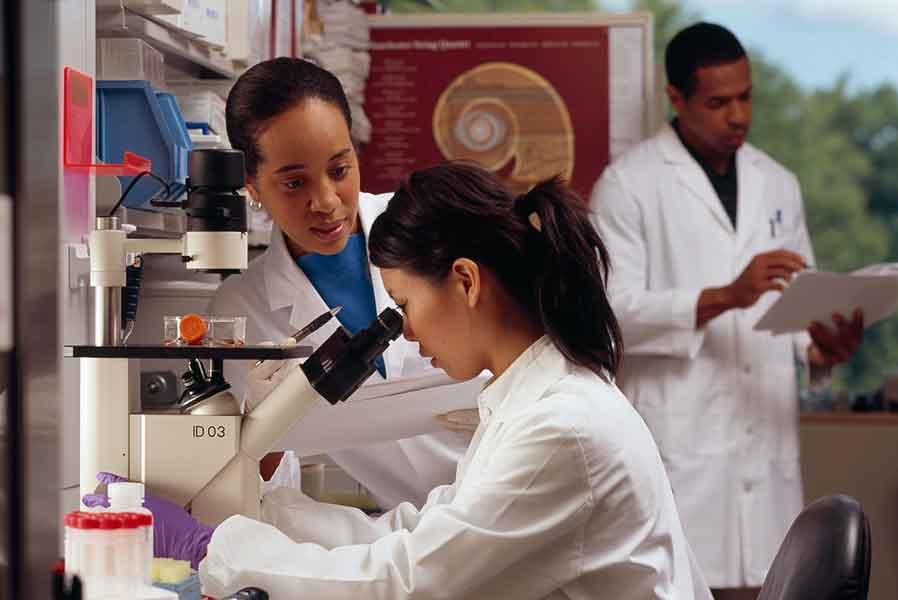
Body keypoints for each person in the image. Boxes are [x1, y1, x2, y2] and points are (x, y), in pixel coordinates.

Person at [88, 161, 713, 598]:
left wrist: (210, 548)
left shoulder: (561, 429)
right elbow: (414, 533)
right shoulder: (535, 399)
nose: (406, 332)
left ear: (466, 282)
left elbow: (409, 583)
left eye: (406, 305)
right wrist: (262, 514)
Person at [589, 23, 863, 600]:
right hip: (682, 454)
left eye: (746, 97)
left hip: (764, 458)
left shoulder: (779, 184)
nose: (738, 115)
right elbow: (609, 315)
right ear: (676, 98)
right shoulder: (629, 185)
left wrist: (822, 348)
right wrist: (724, 296)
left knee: (775, 585)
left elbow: (796, 316)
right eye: (718, 102)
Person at [208, 57, 476, 509]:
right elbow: (268, 487)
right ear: (252, 187)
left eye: (339, 170)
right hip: (419, 526)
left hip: (514, 476)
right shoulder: (242, 308)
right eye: (294, 183)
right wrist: (263, 426)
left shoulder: (430, 226)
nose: (327, 202)